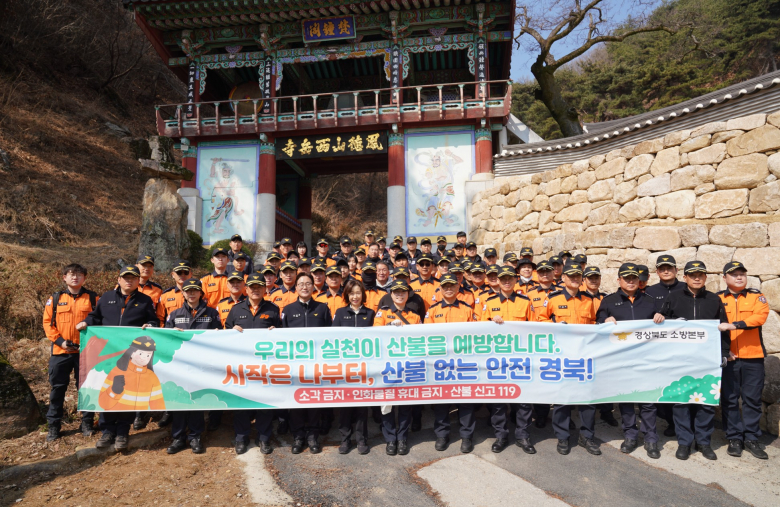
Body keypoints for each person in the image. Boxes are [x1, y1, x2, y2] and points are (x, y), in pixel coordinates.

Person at [658, 261, 731, 461]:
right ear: (685, 278)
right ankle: (684, 442)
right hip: (680, 361)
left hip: (707, 361)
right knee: (681, 402)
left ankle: (704, 442)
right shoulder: (673, 298)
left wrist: (724, 352)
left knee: (705, 403)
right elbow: (663, 325)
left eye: (700, 274)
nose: (697, 278)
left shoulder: (714, 300)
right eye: (692, 275)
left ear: (706, 277)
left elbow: (722, 329)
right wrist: (659, 316)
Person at [79, 265, 158, 451]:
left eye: (133, 278)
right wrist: (86, 323)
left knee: (128, 392)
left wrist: (150, 324)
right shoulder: (106, 298)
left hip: (131, 356)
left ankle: (123, 431)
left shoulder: (145, 300)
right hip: (107, 355)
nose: (129, 280)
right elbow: (94, 317)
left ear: (138, 280)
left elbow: (154, 321)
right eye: (126, 277)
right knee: (107, 389)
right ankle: (108, 431)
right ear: (119, 279)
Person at [596, 264, 664, 459]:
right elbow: (598, 322)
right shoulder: (609, 301)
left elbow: (662, 326)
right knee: (626, 400)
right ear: (619, 281)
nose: (631, 281)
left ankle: (651, 439)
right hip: (621, 360)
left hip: (646, 359)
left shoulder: (650, 301)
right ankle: (630, 436)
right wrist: (605, 320)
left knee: (648, 401)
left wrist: (661, 317)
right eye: (627, 278)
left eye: (634, 278)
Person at [539, 262, 600, 456]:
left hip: (583, 357)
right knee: (562, 400)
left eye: (577, 276)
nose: (574, 279)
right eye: (570, 275)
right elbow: (540, 320)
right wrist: (556, 326)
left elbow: (592, 323)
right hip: (561, 356)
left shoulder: (588, 300)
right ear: (563, 278)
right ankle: (563, 437)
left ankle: (587, 436)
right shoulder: (553, 298)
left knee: (588, 400)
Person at [224, 274, 283, 455]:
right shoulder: (235, 310)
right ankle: (241, 437)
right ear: (246, 289)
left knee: (264, 403)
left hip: (265, 366)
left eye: (259, 286)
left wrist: (276, 332)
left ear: (264, 289)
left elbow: (283, 337)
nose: (255, 289)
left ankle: (264, 438)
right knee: (242, 403)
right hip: (242, 366)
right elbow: (224, 335)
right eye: (252, 287)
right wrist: (231, 331)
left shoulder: (273, 309)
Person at [481, 266, 537, 454]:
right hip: (496, 359)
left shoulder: (525, 301)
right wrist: (490, 322)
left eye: (510, 278)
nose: (506, 281)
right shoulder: (488, 303)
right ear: (497, 280)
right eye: (502, 278)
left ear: (515, 280)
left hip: (520, 358)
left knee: (523, 399)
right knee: (498, 400)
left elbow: (534, 328)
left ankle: (522, 435)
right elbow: (478, 331)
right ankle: (501, 435)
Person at [718, 261, 770, 460]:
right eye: (734, 274)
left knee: (752, 400)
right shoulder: (718, 298)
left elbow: (760, 318)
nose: (739, 277)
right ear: (725, 278)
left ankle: (751, 438)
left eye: (742, 274)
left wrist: (734, 325)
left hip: (753, 357)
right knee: (729, 399)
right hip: (729, 358)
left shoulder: (757, 296)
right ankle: (734, 438)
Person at [165, 279, 222, 455]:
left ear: (201, 293)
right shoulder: (175, 315)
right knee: (180, 400)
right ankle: (178, 437)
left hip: (201, 366)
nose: (191, 294)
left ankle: (196, 437)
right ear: (183, 293)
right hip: (180, 365)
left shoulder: (212, 314)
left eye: (195, 291)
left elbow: (220, 338)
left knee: (197, 400)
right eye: (188, 291)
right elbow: (165, 338)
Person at [43, 264, 99, 441]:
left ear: (85, 278)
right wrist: (61, 342)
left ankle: (87, 422)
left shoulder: (93, 298)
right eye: (71, 274)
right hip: (61, 352)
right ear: (64, 278)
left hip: (85, 352)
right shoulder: (55, 298)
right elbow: (47, 324)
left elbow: (100, 321)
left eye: (79, 274)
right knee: (58, 389)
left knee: (85, 387)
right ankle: (54, 426)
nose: (75, 277)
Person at [425, 274, 476, 453]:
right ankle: (442, 434)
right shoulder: (432, 310)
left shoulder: (468, 309)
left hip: (463, 363)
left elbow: (475, 336)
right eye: (445, 286)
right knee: (441, 400)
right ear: (440, 288)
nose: (448, 289)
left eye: (452, 286)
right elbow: (425, 337)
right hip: (440, 364)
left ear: (457, 287)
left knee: (465, 400)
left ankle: (466, 436)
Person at [282, 273, 333, 454]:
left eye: (308, 284)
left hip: (316, 365)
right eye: (301, 284)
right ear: (295, 287)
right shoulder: (288, 310)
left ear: (314, 287)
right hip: (295, 366)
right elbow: (281, 338)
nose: (304, 287)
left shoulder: (323, 308)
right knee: (296, 401)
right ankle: (298, 436)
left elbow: (330, 337)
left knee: (314, 401)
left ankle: (312, 436)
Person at [375, 279, 422, 455]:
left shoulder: (415, 315)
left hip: (407, 366)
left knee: (405, 404)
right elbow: (375, 334)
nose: (399, 294)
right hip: (387, 366)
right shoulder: (382, 313)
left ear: (407, 294)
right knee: (386, 405)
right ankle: (390, 439)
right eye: (396, 292)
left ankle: (402, 438)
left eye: (403, 292)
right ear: (391, 294)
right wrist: (388, 327)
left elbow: (420, 339)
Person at [333, 279, 376, 455]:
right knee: (345, 406)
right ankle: (345, 439)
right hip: (345, 368)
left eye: (358, 293)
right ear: (347, 295)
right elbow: (332, 339)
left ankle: (361, 439)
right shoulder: (340, 313)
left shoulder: (371, 313)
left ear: (363, 294)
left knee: (361, 406)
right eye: (351, 293)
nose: (355, 296)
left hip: (364, 368)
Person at [645, 255, 685, 436]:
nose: (666, 271)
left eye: (669, 268)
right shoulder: (649, 292)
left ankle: (684, 424)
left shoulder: (687, 288)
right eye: (662, 268)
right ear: (657, 272)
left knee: (683, 386)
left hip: (683, 346)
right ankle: (671, 422)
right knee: (664, 387)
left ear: (677, 270)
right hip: (658, 348)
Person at [581, 265, 617, 427]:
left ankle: (606, 411)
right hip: (585, 344)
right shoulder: (579, 298)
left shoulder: (607, 298)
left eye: (596, 277)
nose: (594, 280)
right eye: (590, 278)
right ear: (584, 280)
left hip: (604, 345)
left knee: (605, 378)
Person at [159, 261, 192, 326]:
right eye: (179, 273)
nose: (183, 275)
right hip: (171, 332)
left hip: (191, 332)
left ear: (190, 274)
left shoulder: (198, 294)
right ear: (173, 275)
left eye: (186, 272)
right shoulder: (165, 296)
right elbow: (160, 318)